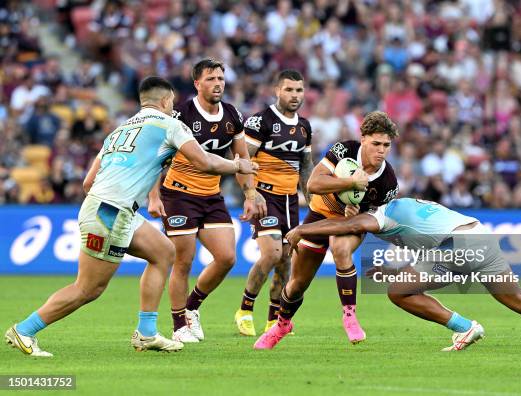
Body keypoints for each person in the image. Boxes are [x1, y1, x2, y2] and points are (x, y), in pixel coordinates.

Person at [4, 76, 258, 357]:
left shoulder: (119, 130)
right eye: (171, 102)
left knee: (163, 252)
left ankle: (147, 333)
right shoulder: (170, 125)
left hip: (107, 207)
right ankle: (25, 330)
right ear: (164, 101)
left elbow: (88, 182)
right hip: (112, 212)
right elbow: (205, 161)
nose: (173, 106)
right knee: (88, 289)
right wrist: (239, 164)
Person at [277, 197, 521, 352]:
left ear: (364, 205)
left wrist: (299, 230)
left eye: (352, 205)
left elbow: (349, 226)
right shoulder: (405, 203)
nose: (349, 212)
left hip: (454, 247)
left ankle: (466, 327)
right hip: (478, 235)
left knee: (397, 291)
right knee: (518, 299)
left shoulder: (381, 215)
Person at [255, 111, 400, 348]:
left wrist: (358, 216)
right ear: (363, 138)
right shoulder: (344, 151)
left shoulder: (388, 182)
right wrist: (350, 183)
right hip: (320, 214)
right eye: (376, 143)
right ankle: (282, 325)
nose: (381, 150)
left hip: (350, 225)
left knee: (340, 247)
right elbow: (313, 184)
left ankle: (349, 315)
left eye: (386, 145)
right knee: (296, 285)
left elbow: (376, 221)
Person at [147, 59, 266, 343]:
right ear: (197, 84)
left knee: (227, 257)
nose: (218, 84)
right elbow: (157, 157)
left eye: (221, 79)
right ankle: (179, 326)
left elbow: (242, 160)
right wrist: (153, 196)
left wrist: (250, 194)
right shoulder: (181, 115)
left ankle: (192, 308)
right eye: (211, 79)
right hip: (178, 194)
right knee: (183, 262)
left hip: (211, 195)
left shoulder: (232, 115)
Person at [234, 70, 313, 336]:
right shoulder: (260, 121)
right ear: (277, 90)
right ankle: (245, 309)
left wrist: (313, 202)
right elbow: (242, 161)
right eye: (289, 90)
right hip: (265, 198)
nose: (294, 95)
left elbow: (306, 168)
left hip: (290, 200)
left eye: (299, 90)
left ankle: (273, 319)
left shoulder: (304, 126)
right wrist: (250, 194)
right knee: (272, 254)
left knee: (285, 260)